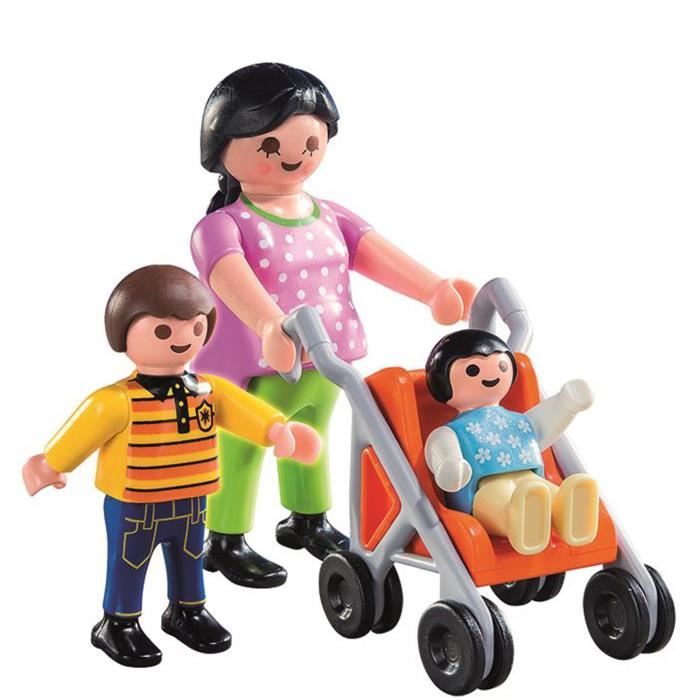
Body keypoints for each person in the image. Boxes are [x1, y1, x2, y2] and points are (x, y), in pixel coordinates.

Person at [191, 62, 478, 588]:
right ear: (222, 147)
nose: (294, 156)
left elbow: (376, 254)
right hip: (252, 366)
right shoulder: (222, 226)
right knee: (243, 447)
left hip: (324, 357)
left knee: (311, 438)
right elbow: (228, 278)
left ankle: (307, 519)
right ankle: (225, 539)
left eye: (310, 142)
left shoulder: (329, 214)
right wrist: (269, 325)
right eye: (270, 145)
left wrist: (432, 288)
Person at [22, 265, 321, 667]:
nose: (182, 338)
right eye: (164, 330)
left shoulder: (207, 389)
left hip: (193, 499)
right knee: (129, 563)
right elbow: (83, 430)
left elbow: (243, 411)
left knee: (189, 558)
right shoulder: (118, 400)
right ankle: (118, 622)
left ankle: (188, 611)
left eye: (195, 327)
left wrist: (278, 430)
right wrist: (51, 463)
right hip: (136, 505)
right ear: (124, 332)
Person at [424, 329, 599, 555]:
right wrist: (449, 466)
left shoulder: (518, 421)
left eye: (501, 366)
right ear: (444, 383)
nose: (491, 374)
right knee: (506, 500)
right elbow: (439, 446)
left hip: (530, 479)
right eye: (473, 370)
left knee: (542, 490)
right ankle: (522, 522)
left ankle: (568, 511)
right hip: (481, 491)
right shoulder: (453, 431)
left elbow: (542, 426)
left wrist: (566, 404)